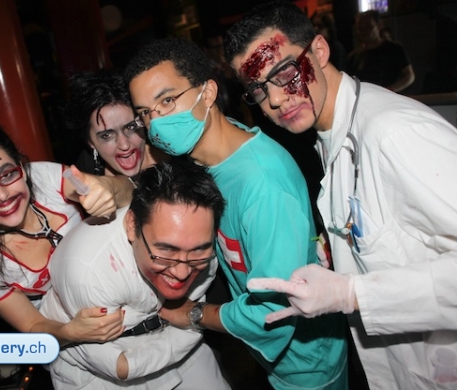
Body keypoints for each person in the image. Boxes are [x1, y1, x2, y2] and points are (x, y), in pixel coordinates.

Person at [224, 0, 457, 390]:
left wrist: (351, 293)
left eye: (284, 73)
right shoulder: (329, 137)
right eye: (258, 89)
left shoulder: (392, 133)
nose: (275, 99)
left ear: (319, 51)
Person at [124, 38, 348, 389]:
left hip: (308, 362)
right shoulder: (208, 153)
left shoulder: (264, 186)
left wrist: (192, 314)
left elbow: (272, 311)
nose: (156, 124)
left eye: (167, 101)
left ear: (208, 93)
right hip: (274, 361)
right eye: (145, 114)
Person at [0, 115, 133, 345]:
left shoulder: (44, 178)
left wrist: (107, 188)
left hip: (120, 280)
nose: (2, 195)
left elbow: (129, 189)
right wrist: (70, 332)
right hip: (65, 323)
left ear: (22, 168)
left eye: (7, 174)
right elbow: (33, 326)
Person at [40, 160, 230, 389]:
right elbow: (121, 367)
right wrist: (183, 326)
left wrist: (189, 321)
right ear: (132, 226)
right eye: (166, 250)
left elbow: (191, 324)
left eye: (198, 250)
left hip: (182, 356)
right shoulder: (91, 275)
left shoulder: (206, 255)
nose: (182, 272)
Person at [62, 69, 168, 179]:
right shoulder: (86, 170)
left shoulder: (172, 158)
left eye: (131, 127)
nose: (124, 145)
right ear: (90, 142)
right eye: (106, 135)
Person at [346, 10, 415, 93]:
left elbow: (409, 76)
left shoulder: (395, 49)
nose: (364, 31)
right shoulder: (353, 57)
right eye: (360, 28)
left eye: (368, 27)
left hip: (390, 97)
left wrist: (391, 90)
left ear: (379, 26)